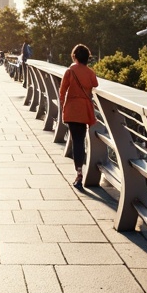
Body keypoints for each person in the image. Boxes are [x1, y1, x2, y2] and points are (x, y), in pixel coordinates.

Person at [58, 43, 98, 191]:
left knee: (77, 141)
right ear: (87, 58)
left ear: (74, 57)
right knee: (81, 140)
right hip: (85, 110)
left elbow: (62, 91)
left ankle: (79, 173)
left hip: (72, 109)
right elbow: (95, 84)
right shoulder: (90, 72)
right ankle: (81, 170)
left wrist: (63, 107)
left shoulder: (70, 71)